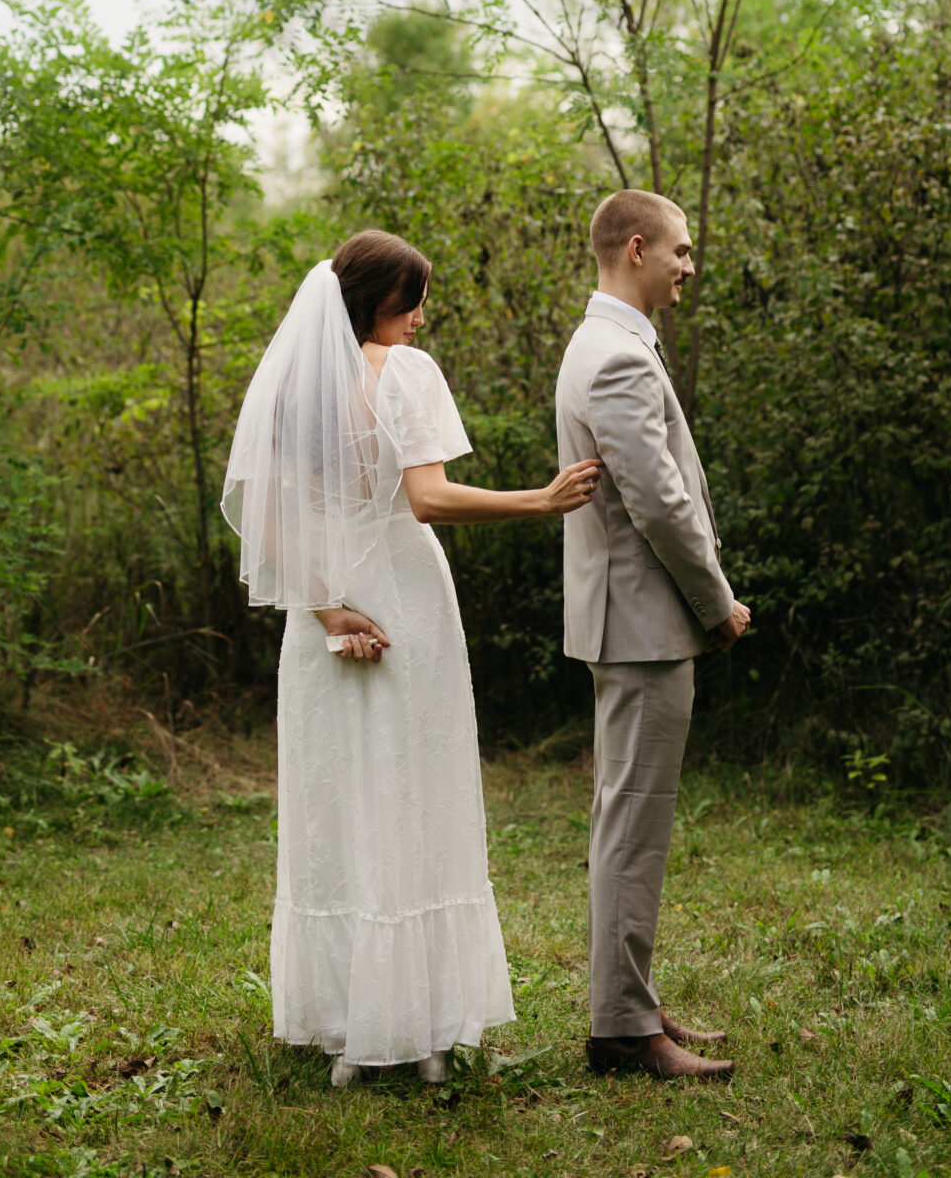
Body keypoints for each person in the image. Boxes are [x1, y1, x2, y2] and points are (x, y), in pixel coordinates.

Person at [221, 229, 600, 1088]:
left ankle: (349, 1024)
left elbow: (271, 524)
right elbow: (426, 499)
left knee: (339, 799)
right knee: (412, 791)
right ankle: (420, 1027)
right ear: (372, 303)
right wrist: (538, 500)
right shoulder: (408, 375)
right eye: (411, 301)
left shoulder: (293, 385)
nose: (421, 318)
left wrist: (326, 612)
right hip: (403, 598)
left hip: (325, 611)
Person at [556, 189, 752, 1081]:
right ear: (636, 248)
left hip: (625, 621)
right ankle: (624, 1034)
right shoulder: (616, 358)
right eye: (680, 249)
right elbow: (659, 503)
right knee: (634, 828)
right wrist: (715, 603)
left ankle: (630, 1005)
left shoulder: (606, 343)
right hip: (643, 623)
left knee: (624, 823)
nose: (687, 265)